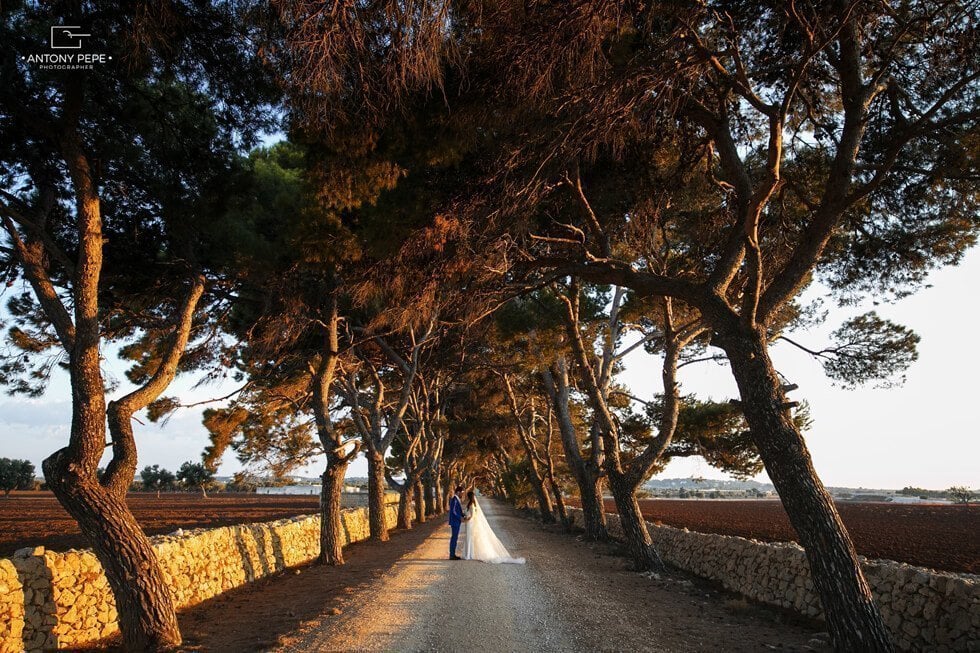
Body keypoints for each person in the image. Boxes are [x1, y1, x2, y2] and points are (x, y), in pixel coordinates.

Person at [462, 490, 525, 564]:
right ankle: (470, 554)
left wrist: (466, 520)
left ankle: (469, 554)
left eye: (467, 496)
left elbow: (472, 515)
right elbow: (468, 513)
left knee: (470, 537)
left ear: (469, 496)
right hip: (469, 523)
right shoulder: (470, 503)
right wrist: (465, 516)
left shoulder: (472, 504)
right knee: (469, 537)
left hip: (471, 523)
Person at [448, 485, 466, 560]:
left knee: (455, 538)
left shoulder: (457, 499)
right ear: (458, 492)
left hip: (456, 521)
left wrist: (463, 515)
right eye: (462, 492)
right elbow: (453, 511)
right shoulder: (454, 500)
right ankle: (452, 555)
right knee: (454, 538)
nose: (462, 494)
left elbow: (458, 511)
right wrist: (460, 517)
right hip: (455, 522)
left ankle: (453, 554)